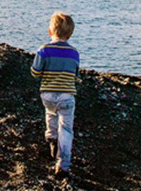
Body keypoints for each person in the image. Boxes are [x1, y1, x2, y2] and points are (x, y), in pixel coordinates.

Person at [30, 12, 81, 179]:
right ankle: (63, 165)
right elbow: (75, 74)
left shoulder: (44, 50)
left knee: (51, 114)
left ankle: (51, 138)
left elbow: (35, 73)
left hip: (48, 94)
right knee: (66, 129)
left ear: (50, 32)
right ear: (70, 34)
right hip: (66, 95)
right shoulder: (74, 53)